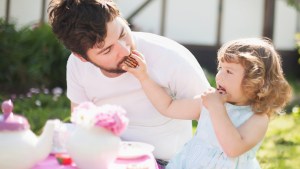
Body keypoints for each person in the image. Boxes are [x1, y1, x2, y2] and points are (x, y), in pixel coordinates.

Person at [47, 0, 210, 164]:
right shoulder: (76, 66)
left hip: (167, 162)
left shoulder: (170, 56)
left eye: (122, 34)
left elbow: (212, 113)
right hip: (107, 159)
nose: (125, 50)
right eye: (107, 50)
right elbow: (81, 121)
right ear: (82, 57)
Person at [124, 38, 292, 169]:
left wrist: (217, 108)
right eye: (220, 68)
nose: (219, 76)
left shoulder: (257, 117)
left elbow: (233, 148)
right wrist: (143, 77)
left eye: (229, 71)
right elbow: (168, 107)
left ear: (255, 81)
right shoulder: (209, 101)